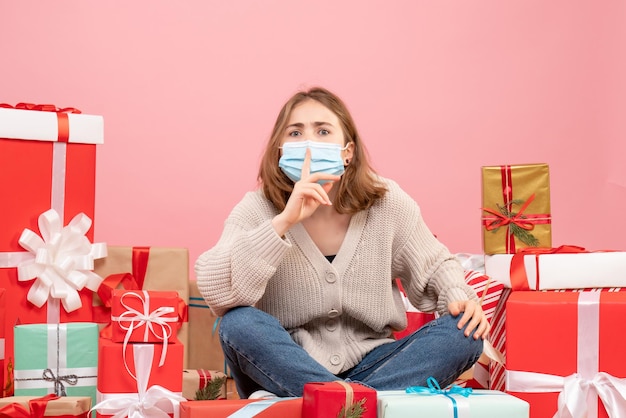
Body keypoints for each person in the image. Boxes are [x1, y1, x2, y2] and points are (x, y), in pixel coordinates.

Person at [195, 86, 489, 399]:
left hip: (377, 363)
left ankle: (334, 404)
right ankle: (359, 403)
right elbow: (217, 290)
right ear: (280, 150)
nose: (309, 143)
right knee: (238, 323)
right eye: (295, 133)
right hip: (289, 366)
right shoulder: (257, 207)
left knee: (464, 333)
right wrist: (282, 223)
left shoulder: (386, 203)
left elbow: (435, 266)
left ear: (347, 151)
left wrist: (457, 296)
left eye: (323, 131)